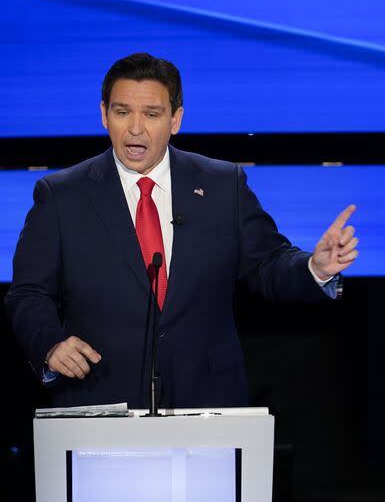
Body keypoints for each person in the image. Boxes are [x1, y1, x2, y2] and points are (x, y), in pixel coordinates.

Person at [5, 53, 359, 409]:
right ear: (103, 115)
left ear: (176, 120)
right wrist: (50, 344)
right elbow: (28, 293)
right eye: (122, 111)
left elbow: (268, 263)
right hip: (101, 399)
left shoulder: (223, 186)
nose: (135, 128)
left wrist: (315, 267)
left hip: (206, 401)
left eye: (152, 114)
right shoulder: (62, 195)